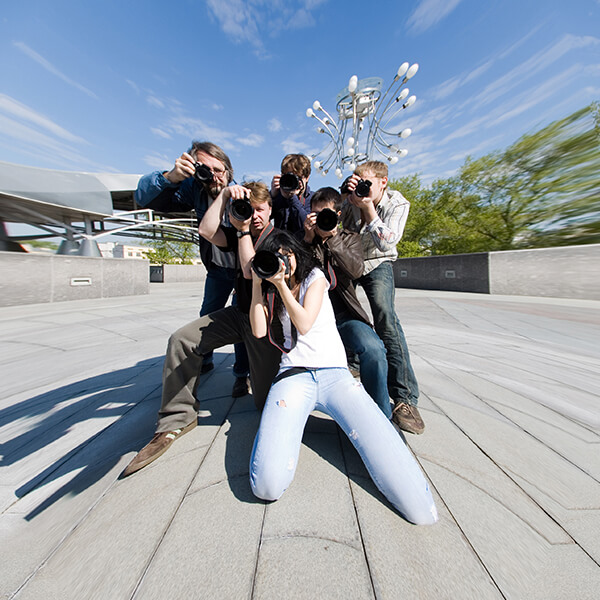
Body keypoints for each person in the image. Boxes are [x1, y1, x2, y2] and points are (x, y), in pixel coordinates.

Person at [247, 230, 438, 525]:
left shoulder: (316, 278)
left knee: (420, 510)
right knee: (266, 486)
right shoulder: (270, 289)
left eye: (288, 254)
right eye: (277, 256)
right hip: (293, 376)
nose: (284, 262)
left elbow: (305, 323)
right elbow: (259, 331)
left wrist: (282, 286)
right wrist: (259, 285)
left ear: (297, 253)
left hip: (335, 375)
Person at [122, 181, 282, 477]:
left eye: (260, 209)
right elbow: (207, 231)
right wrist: (224, 196)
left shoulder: (279, 239)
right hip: (239, 314)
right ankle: (176, 418)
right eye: (251, 209)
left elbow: (249, 269)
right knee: (182, 340)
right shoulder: (238, 233)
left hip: (267, 323)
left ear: (270, 210)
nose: (255, 215)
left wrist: (243, 229)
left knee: (264, 403)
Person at [135, 141, 250, 398]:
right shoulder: (196, 188)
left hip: (242, 269)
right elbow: (145, 198)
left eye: (218, 169)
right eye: (205, 169)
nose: (213, 176)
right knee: (208, 314)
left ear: (229, 170)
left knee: (243, 317)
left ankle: (242, 375)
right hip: (218, 268)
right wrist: (171, 177)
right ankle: (204, 356)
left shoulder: (242, 192)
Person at [341, 161, 424, 434]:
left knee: (385, 317)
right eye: (357, 181)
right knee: (344, 310)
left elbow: (388, 242)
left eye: (367, 183)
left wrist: (367, 208)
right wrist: (347, 199)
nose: (362, 188)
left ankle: (404, 398)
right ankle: (352, 364)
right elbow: (339, 232)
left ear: (383, 182)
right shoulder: (350, 199)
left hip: (379, 262)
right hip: (352, 262)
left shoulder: (398, 203)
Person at [302, 187, 391, 417]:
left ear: (338, 215)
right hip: (310, 320)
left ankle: (380, 417)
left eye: (327, 214)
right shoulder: (304, 239)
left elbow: (354, 270)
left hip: (344, 316)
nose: (322, 219)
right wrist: (308, 240)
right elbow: (296, 275)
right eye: (316, 214)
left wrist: (331, 239)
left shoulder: (350, 238)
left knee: (373, 348)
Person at [270, 154, 313, 234]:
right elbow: (260, 219)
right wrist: (271, 196)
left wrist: (292, 198)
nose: (293, 180)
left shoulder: (313, 199)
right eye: (288, 176)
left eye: (297, 177)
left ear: (307, 177)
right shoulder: (279, 195)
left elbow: (305, 227)